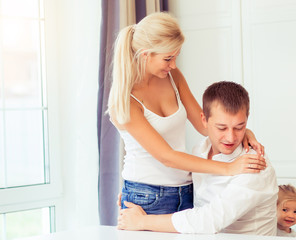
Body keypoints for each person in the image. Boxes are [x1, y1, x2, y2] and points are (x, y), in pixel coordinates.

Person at [108, 11, 266, 215]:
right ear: (146, 54)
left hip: (186, 188)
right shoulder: (126, 100)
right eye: (168, 58)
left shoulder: (172, 76)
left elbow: (203, 125)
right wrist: (229, 168)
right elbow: (167, 157)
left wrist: (244, 132)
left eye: (176, 57)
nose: (173, 65)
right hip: (145, 195)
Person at [117, 81, 278, 235]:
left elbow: (209, 220)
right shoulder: (200, 151)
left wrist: (143, 221)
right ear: (204, 120)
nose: (230, 137)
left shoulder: (256, 165)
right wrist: (132, 192)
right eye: (222, 128)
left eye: (239, 127)